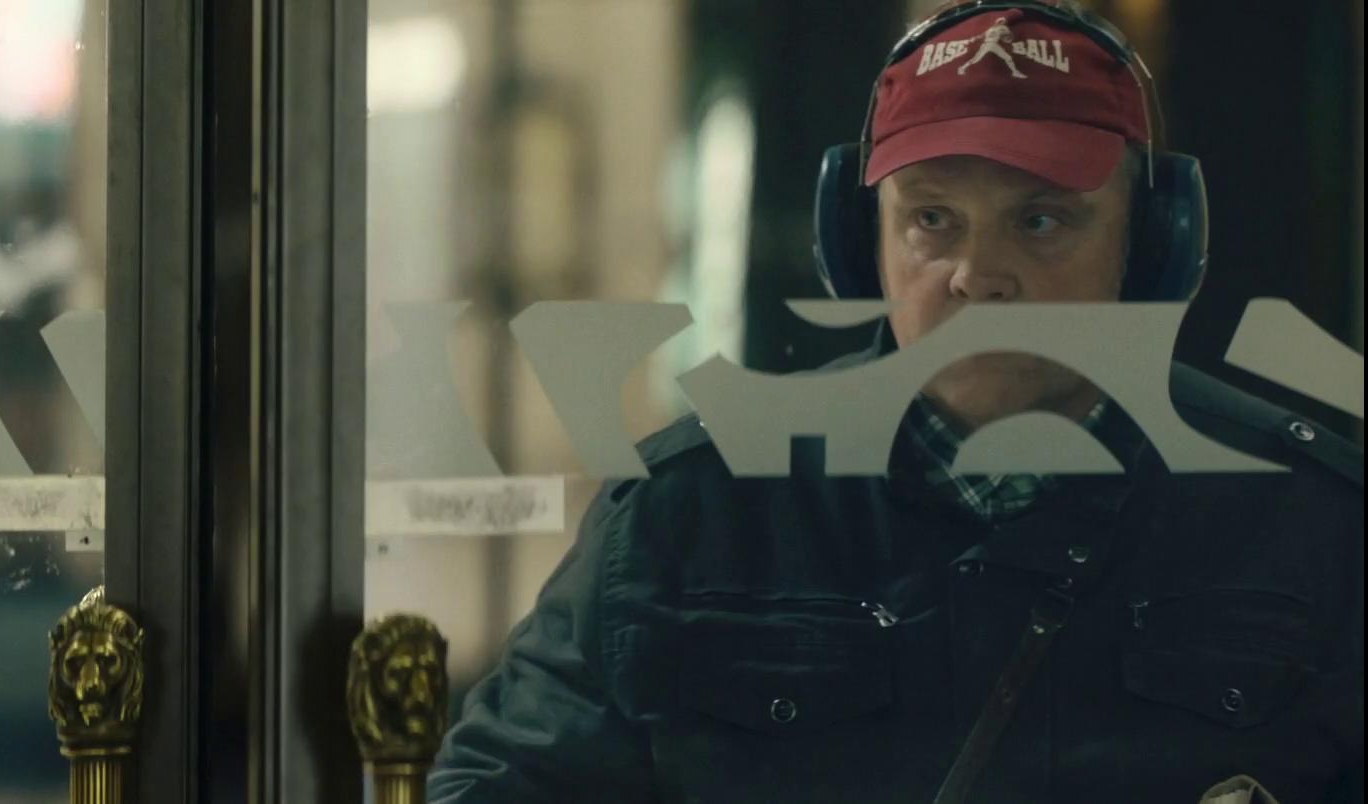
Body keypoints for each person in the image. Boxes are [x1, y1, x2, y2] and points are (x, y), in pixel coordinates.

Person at [428, 3, 1363, 803]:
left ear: (1152, 245)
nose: (977, 274)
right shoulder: (689, 513)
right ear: (859, 240)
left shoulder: (1313, 523)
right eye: (931, 219)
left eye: (1041, 220)